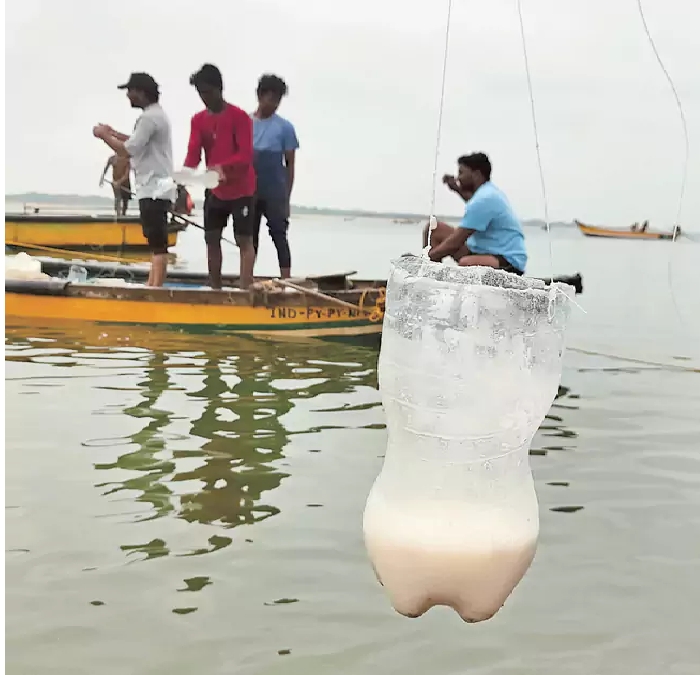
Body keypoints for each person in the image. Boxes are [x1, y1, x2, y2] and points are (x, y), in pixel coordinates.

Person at [93, 72, 176, 287]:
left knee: (158, 244)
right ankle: (152, 284)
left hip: (153, 188)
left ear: (141, 92)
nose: (128, 96)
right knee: (156, 242)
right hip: (157, 187)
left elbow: (127, 150)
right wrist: (114, 132)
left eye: (130, 91)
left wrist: (103, 135)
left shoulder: (149, 118)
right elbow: (136, 141)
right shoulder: (155, 115)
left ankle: (155, 291)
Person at [184, 63, 256, 290]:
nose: (204, 98)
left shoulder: (240, 117)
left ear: (219, 89)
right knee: (211, 239)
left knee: (244, 240)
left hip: (242, 189)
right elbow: (193, 155)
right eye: (200, 93)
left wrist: (223, 168)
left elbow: (245, 155)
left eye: (207, 92)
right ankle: (215, 289)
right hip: (214, 189)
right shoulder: (197, 120)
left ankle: (245, 289)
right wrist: (182, 181)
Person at [425, 153, 527, 275]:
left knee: (466, 263)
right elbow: (472, 201)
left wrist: (423, 259)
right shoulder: (485, 192)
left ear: (476, 175)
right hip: (481, 251)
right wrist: (457, 189)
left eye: (461, 173)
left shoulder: (485, 199)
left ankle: (426, 267)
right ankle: (430, 276)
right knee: (434, 228)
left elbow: (455, 243)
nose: (458, 178)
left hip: (507, 259)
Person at [251, 74, 299, 279]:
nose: (274, 104)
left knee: (279, 235)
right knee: (249, 236)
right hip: (250, 189)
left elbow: (290, 165)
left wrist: (286, 198)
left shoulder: (285, 128)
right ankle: (247, 278)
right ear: (260, 96)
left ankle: (286, 280)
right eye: (270, 98)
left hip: (275, 190)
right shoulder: (246, 122)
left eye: (278, 100)